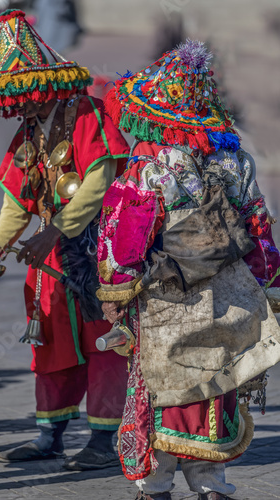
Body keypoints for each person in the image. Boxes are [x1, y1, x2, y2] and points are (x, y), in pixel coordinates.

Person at [96, 39, 280, 499]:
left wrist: (115, 290)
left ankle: (155, 485)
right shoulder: (236, 159)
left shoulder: (149, 161)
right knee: (216, 382)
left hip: (167, 292)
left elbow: (126, 236)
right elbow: (260, 234)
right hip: (229, 290)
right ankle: (211, 484)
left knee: (162, 383)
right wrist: (264, 287)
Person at [0, 8, 130, 470]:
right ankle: (48, 434)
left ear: (45, 85)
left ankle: (104, 438)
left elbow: (99, 182)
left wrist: (54, 229)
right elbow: (17, 199)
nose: (20, 107)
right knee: (50, 342)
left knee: (102, 342)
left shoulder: (88, 113)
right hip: (50, 252)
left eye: (25, 97)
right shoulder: (30, 130)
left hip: (97, 249)